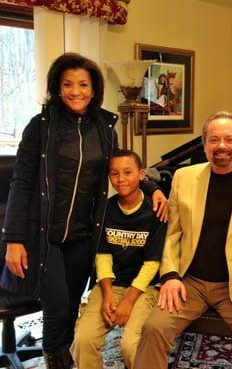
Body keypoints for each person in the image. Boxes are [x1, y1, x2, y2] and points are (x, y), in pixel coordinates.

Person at [0, 52, 168, 369]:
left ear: (94, 89)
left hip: (83, 237)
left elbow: (125, 170)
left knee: (72, 304)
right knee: (58, 309)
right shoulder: (40, 127)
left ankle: (65, 356)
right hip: (45, 237)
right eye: (67, 84)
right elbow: (20, 183)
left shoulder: (105, 128)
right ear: (56, 88)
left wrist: (153, 188)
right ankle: (57, 361)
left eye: (83, 84)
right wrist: (13, 238)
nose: (75, 91)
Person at [133, 111, 232, 369]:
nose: (221, 146)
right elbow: (172, 234)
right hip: (190, 282)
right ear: (204, 146)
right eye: (214, 140)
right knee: (154, 328)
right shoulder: (184, 177)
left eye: (229, 139)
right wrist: (169, 275)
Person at [71, 149, 166, 368]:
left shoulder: (156, 211)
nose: (121, 179)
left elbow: (152, 264)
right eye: (114, 174)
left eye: (127, 172)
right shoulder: (105, 210)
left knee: (131, 346)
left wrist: (128, 301)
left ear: (141, 174)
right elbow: (102, 255)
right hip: (111, 283)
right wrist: (106, 295)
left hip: (144, 288)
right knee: (83, 340)